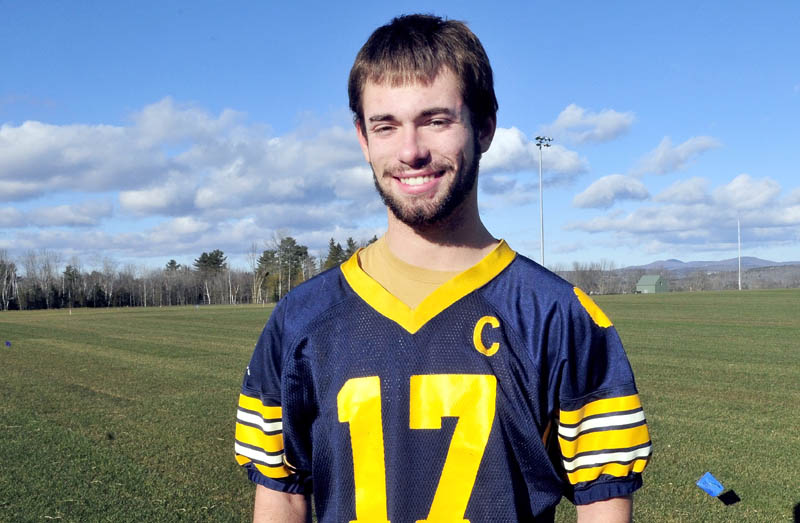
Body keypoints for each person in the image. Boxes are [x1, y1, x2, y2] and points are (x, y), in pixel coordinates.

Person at [235, 14, 651, 522]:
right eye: (386, 126)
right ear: (363, 138)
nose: (411, 151)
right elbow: (281, 494)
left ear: (485, 127)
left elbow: (603, 500)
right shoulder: (300, 318)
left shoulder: (559, 316)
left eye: (436, 120)